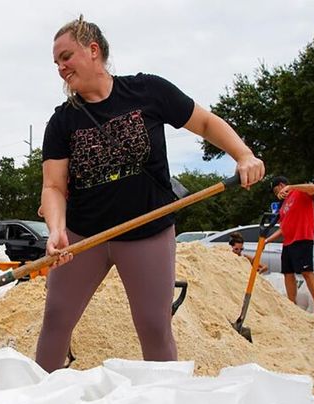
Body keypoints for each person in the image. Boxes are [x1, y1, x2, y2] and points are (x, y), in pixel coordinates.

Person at [36, 16, 265, 372]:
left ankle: (165, 398)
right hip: (84, 236)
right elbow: (53, 186)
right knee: (56, 319)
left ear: (93, 50)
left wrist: (244, 155)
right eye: (56, 63)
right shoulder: (62, 121)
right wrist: (56, 230)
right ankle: (39, 394)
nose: (61, 68)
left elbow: (204, 122)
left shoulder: (148, 91)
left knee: (154, 326)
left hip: (148, 231)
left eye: (66, 57)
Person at [265, 176, 314, 315]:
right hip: (288, 242)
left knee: (306, 271)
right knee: (288, 273)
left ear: (281, 185)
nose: (276, 194)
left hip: (302, 238)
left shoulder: (299, 193)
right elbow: (283, 228)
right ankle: (292, 304)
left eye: (276, 190)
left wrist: (291, 187)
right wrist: (267, 241)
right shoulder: (283, 207)